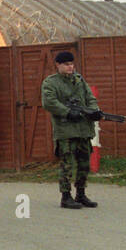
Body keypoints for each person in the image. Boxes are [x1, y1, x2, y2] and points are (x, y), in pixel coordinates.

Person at [40, 50, 103, 209]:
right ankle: (66, 196)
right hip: (65, 130)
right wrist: (68, 112)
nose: (70, 67)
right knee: (67, 164)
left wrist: (94, 110)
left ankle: (81, 194)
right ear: (58, 65)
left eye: (71, 64)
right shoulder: (51, 82)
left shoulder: (79, 80)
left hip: (83, 128)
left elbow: (90, 98)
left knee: (84, 163)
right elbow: (49, 102)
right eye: (66, 64)